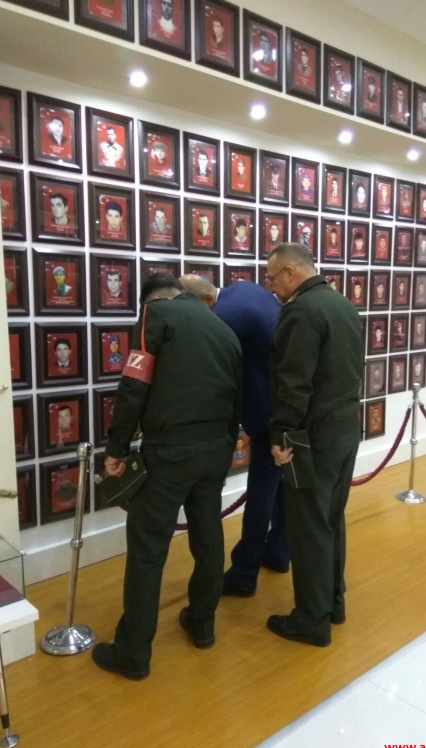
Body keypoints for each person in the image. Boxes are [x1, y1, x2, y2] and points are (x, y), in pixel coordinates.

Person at [92, 274, 242, 680]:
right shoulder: (223, 328)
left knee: (147, 551)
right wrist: (225, 447)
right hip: (215, 450)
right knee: (208, 538)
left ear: (153, 301)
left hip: (169, 453)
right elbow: (236, 396)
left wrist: (117, 449)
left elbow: (133, 385)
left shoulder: (155, 316)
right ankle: (202, 624)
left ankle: (132, 653)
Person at [265, 243, 363, 647]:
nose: (270, 286)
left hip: (311, 437)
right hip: (344, 429)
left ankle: (311, 621)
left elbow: (294, 381)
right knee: (330, 521)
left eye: (272, 277)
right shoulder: (342, 304)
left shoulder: (302, 311)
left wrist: (281, 434)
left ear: (291, 272)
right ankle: (333, 604)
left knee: (307, 528)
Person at [180, 274, 290, 597]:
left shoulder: (223, 316)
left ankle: (244, 574)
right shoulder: (242, 289)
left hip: (268, 414)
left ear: (205, 301)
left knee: (260, 495)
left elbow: (207, 368)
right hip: (281, 408)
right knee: (280, 488)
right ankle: (279, 551)